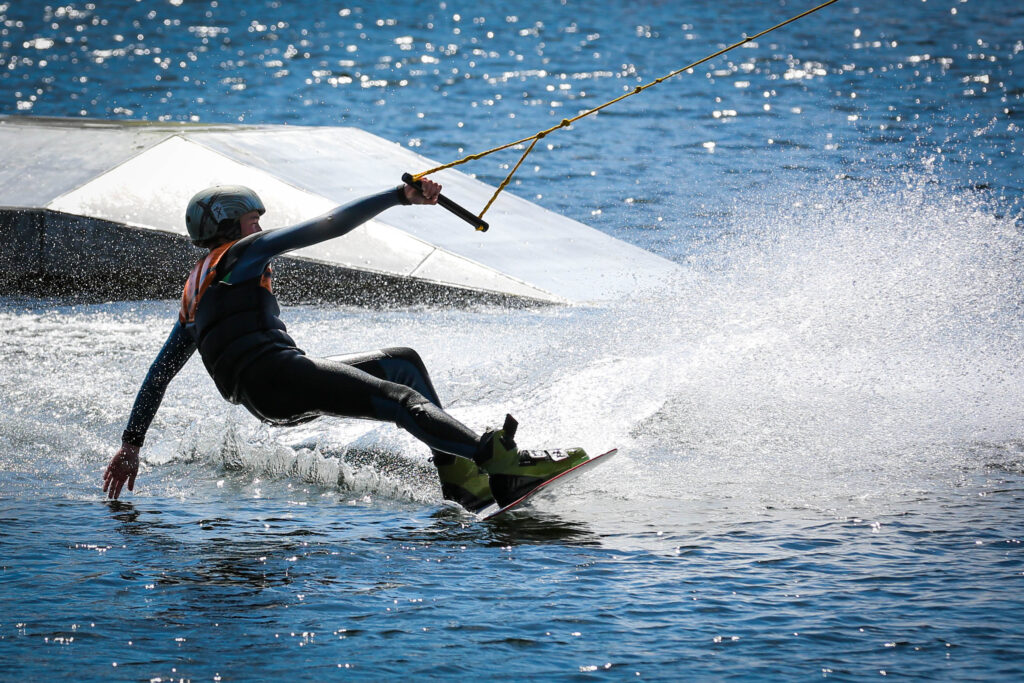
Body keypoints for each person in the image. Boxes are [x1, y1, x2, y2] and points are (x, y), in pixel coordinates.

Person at [102, 179, 587, 512]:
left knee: (402, 364)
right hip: (280, 376)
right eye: (254, 218)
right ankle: (500, 464)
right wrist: (399, 196)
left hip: (267, 395)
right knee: (403, 401)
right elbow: (331, 225)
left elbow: (158, 374)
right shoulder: (241, 254)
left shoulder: (195, 291)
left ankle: (460, 481)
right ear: (231, 224)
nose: (260, 226)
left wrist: (131, 444)